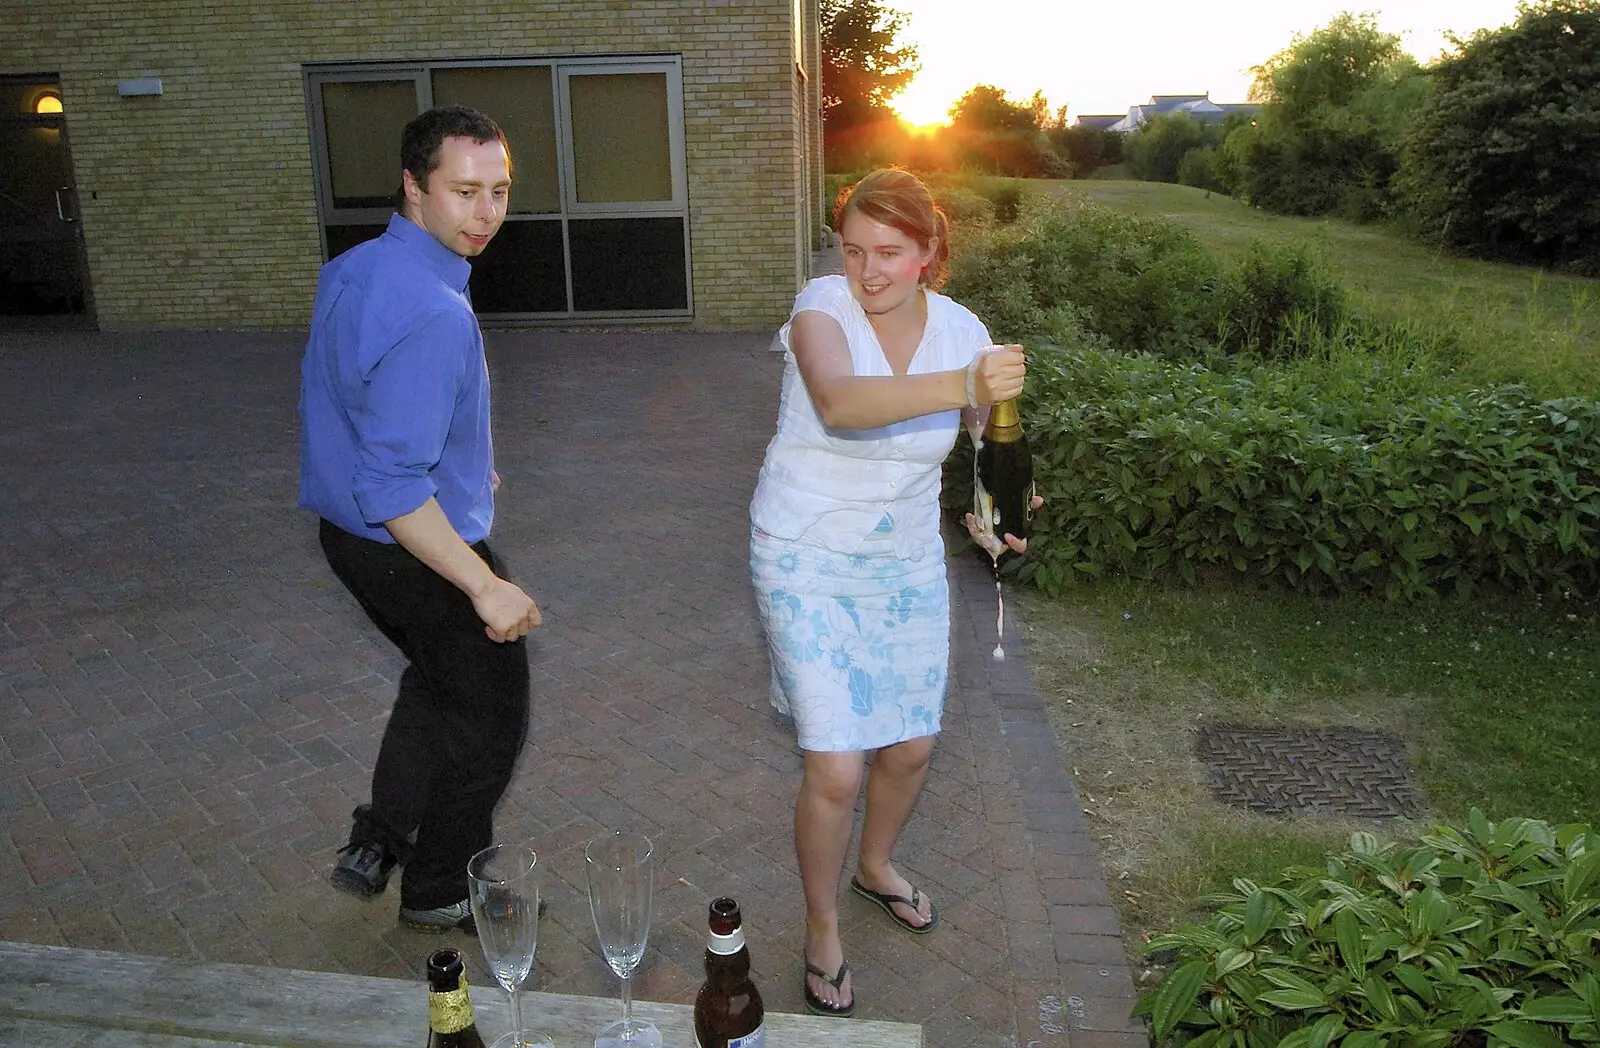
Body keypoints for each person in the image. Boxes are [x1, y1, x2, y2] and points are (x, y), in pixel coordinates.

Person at [748, 168, 1034, 1016]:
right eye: (853, 248)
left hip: (903, 556)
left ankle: (875, 867)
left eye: (890, 253)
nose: (867, 270)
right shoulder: (821, 308)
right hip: (805, 548)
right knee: (835, 764)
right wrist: (967, 386)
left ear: (929, 254)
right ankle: (822, 919)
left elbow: (989, 449)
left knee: (909, 746)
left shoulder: (962, 331)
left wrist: (994, 510)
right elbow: (838, 403)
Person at [298, 105, 541, 934]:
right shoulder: (437, 313)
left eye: (499, 192)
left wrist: (464, 465)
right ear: (414, 186)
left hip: (349, 539)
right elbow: (394, 485)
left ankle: (382, 838)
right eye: (464, 192)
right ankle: (439, 887)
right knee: (491, 718)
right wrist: (485, 586)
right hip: (405, 543)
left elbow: (360, 399)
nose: (486, 214)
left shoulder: (357, 268)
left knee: (438, 680)